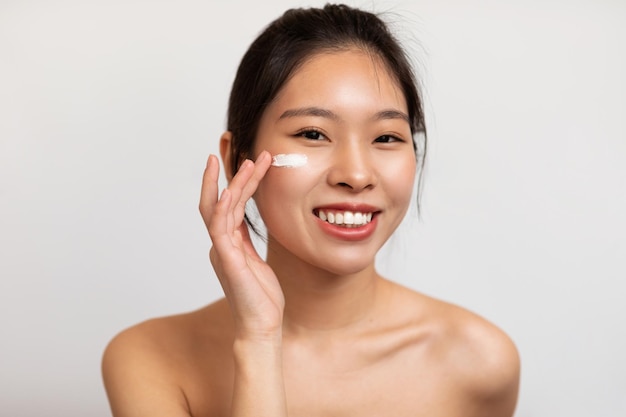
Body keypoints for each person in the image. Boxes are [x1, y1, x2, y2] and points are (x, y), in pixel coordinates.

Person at [102, 4, 520, 416]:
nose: (356, 175)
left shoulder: (479, 363)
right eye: (313, 133)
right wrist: (259, 340)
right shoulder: (151, 360)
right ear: (237, 161)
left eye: (387, 138)